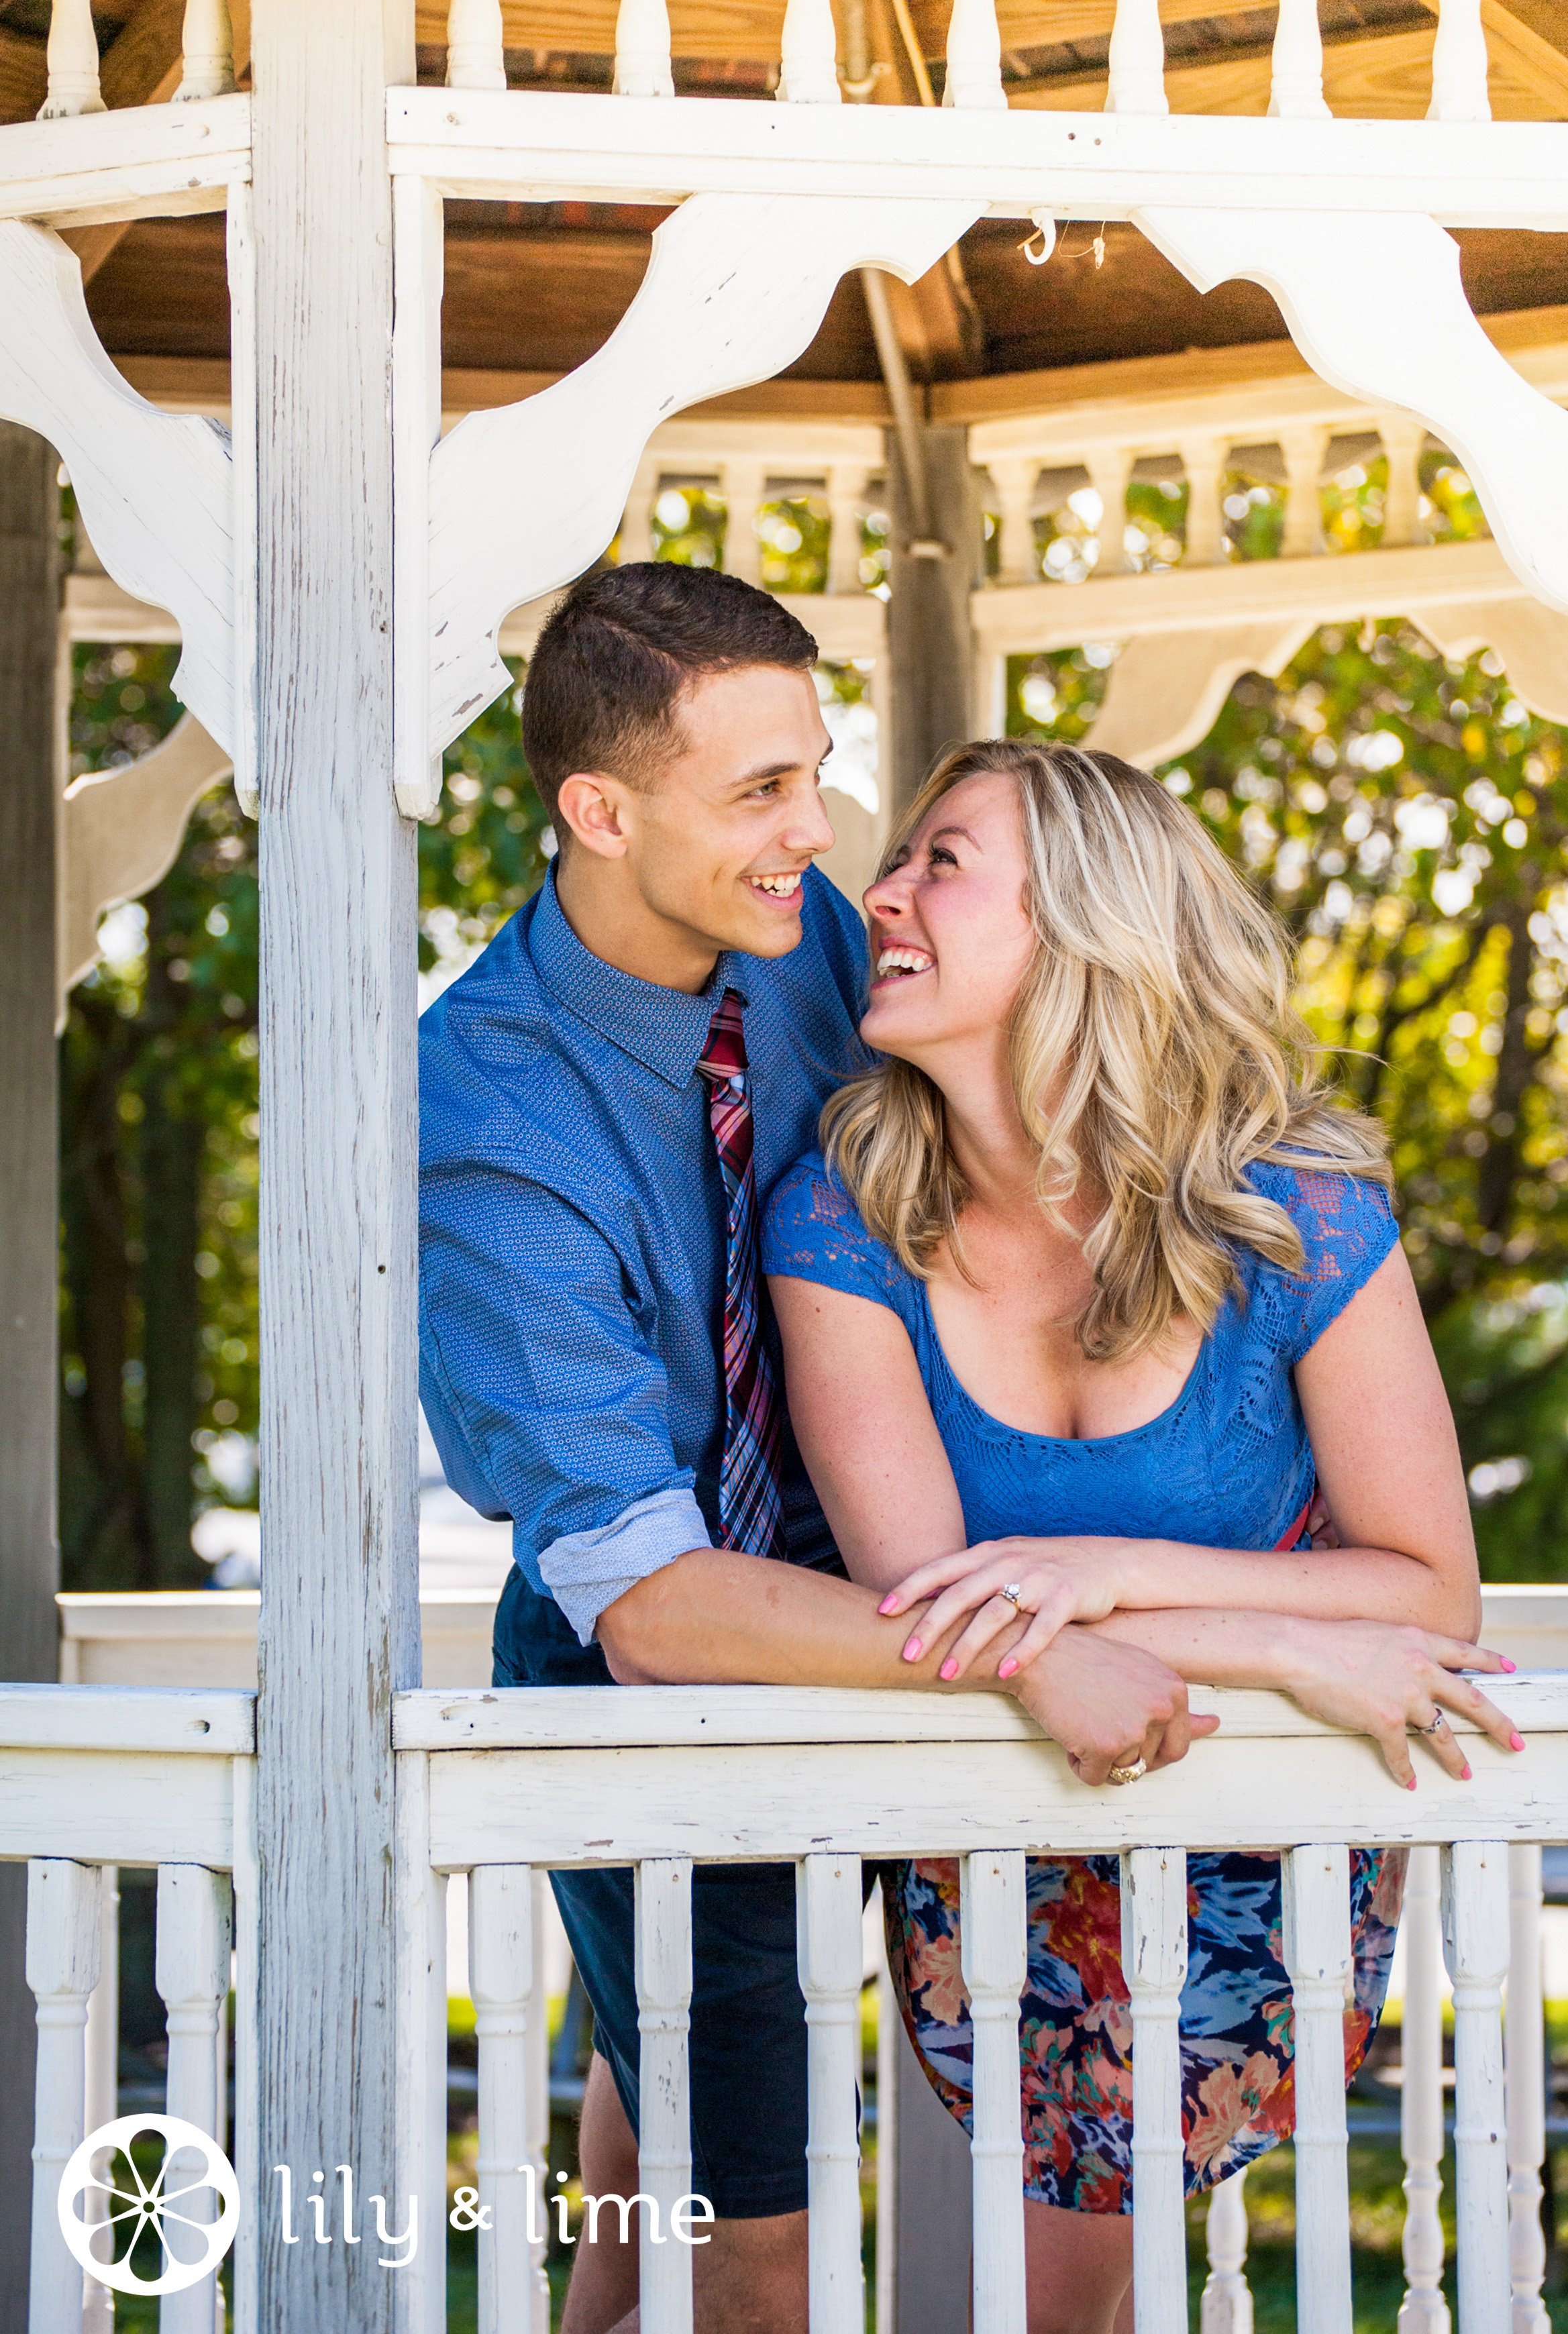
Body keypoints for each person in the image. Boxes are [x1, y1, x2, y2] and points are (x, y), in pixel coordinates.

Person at [419, 572, 1204, 2334]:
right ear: (600, 813)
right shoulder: (483, 1110)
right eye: (761, 791)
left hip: (891, 1604)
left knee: (642, 2237)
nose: (821, 829)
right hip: (661, 1691)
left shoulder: (815, 947)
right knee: (753, 2262)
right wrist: (1039, 1651)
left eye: (816, 771)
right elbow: (641, 1598)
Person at [760, 736, 1519, 2334]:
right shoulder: (842, 1214)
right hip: (995, 1806)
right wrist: (1272, 1637)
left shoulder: (1293, 1206)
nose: (875, 894)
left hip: (1261, 1832)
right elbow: (935, 1612)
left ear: (1083, 922)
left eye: (937, 861)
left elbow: (1426, 1586)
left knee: (1069, 2290)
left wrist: (1100, 1577)